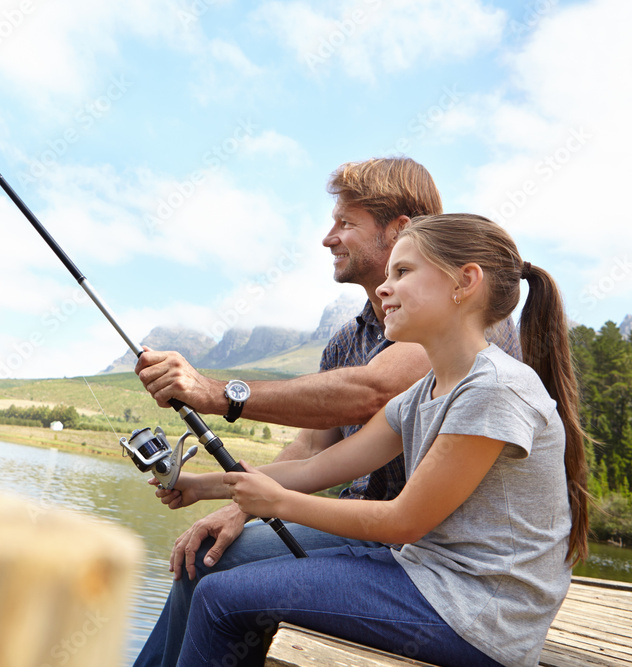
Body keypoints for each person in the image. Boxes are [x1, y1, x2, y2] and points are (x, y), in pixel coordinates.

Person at [132, 158, 520, 666]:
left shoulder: (469, 331)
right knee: (202, 561)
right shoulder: (349, 339)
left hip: (415, 552)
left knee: (217, 581)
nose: (327, 238)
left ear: (399, 228)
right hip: (358, 530)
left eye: (346, 223)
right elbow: (314, 451)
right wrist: (227, 498)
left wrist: (216, 393)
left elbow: (372, 392)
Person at [170, 213, 589, 666]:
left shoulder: (495, 389)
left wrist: (276, 503)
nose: (384, 289)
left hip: (479, 615)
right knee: (217, 580)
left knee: (220, 599)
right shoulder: (421, 395)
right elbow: (314, 468)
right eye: (388, 274)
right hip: (425, 579)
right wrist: (199, 485)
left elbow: (403, 523)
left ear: (465, 282)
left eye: (403, 272)